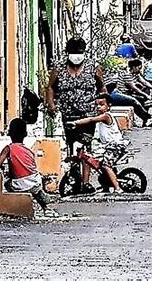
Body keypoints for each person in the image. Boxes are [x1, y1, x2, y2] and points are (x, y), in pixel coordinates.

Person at [46, 37, 106, 194]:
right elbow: (50, 87)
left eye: (79, 52)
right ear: (67, 53)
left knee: (84, 146)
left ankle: (85, 183)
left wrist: (102, 103)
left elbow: (101, 87)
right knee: (72, 148)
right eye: (73, 52)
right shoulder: (59, 68)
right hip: (68, 115)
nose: (76, 56)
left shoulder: (93, 67)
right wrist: (51, 104)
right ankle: (74, 176)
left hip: (87, 115)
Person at [0, 118, 56, 215]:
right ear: (25, 134)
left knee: (7, 184)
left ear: (9, 133)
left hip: (20, 185)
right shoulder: (28, 150)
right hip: (35, 181)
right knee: (35, 189)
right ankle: (46, 208)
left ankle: (15, 205)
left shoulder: (8, 148)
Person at [70, 95, 127, 194]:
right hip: (106, 146)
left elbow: (91, 119)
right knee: (88, 160)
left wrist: (75, 123)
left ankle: (117, 188)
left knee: (106, 165)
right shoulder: (100, 121)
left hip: (116, 146)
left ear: (109, 106)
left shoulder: (106, 116)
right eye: (96, 105)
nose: (98, 107)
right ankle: (85, 184)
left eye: (101, 104)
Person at [108, 60, 152, 127]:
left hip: (129, 92)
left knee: (144, 92)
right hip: (122, 93)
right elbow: (134, 87)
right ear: (134, 67)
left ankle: (146, 119)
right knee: (135, 101)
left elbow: (144, 82)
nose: (140, 70)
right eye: (139, 68)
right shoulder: (127, 74)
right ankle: (148, 117)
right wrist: (146, 95)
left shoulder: (136, 74)